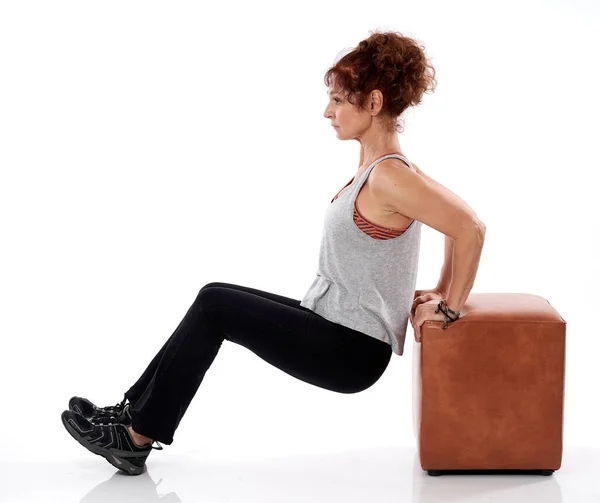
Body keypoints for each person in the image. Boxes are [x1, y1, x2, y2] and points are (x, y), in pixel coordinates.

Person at [61, 29, 485, 476]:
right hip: (332, 325)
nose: (328, 111)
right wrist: (437, 288)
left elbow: (470, 228)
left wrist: (450, 307)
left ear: (374, 104)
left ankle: (136, 437)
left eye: (339, 100)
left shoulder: (391, 177)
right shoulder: (382, 169)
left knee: (214, 306)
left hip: (351, 349)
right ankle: (131, 415)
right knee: (214, 294)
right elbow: (459, 225)